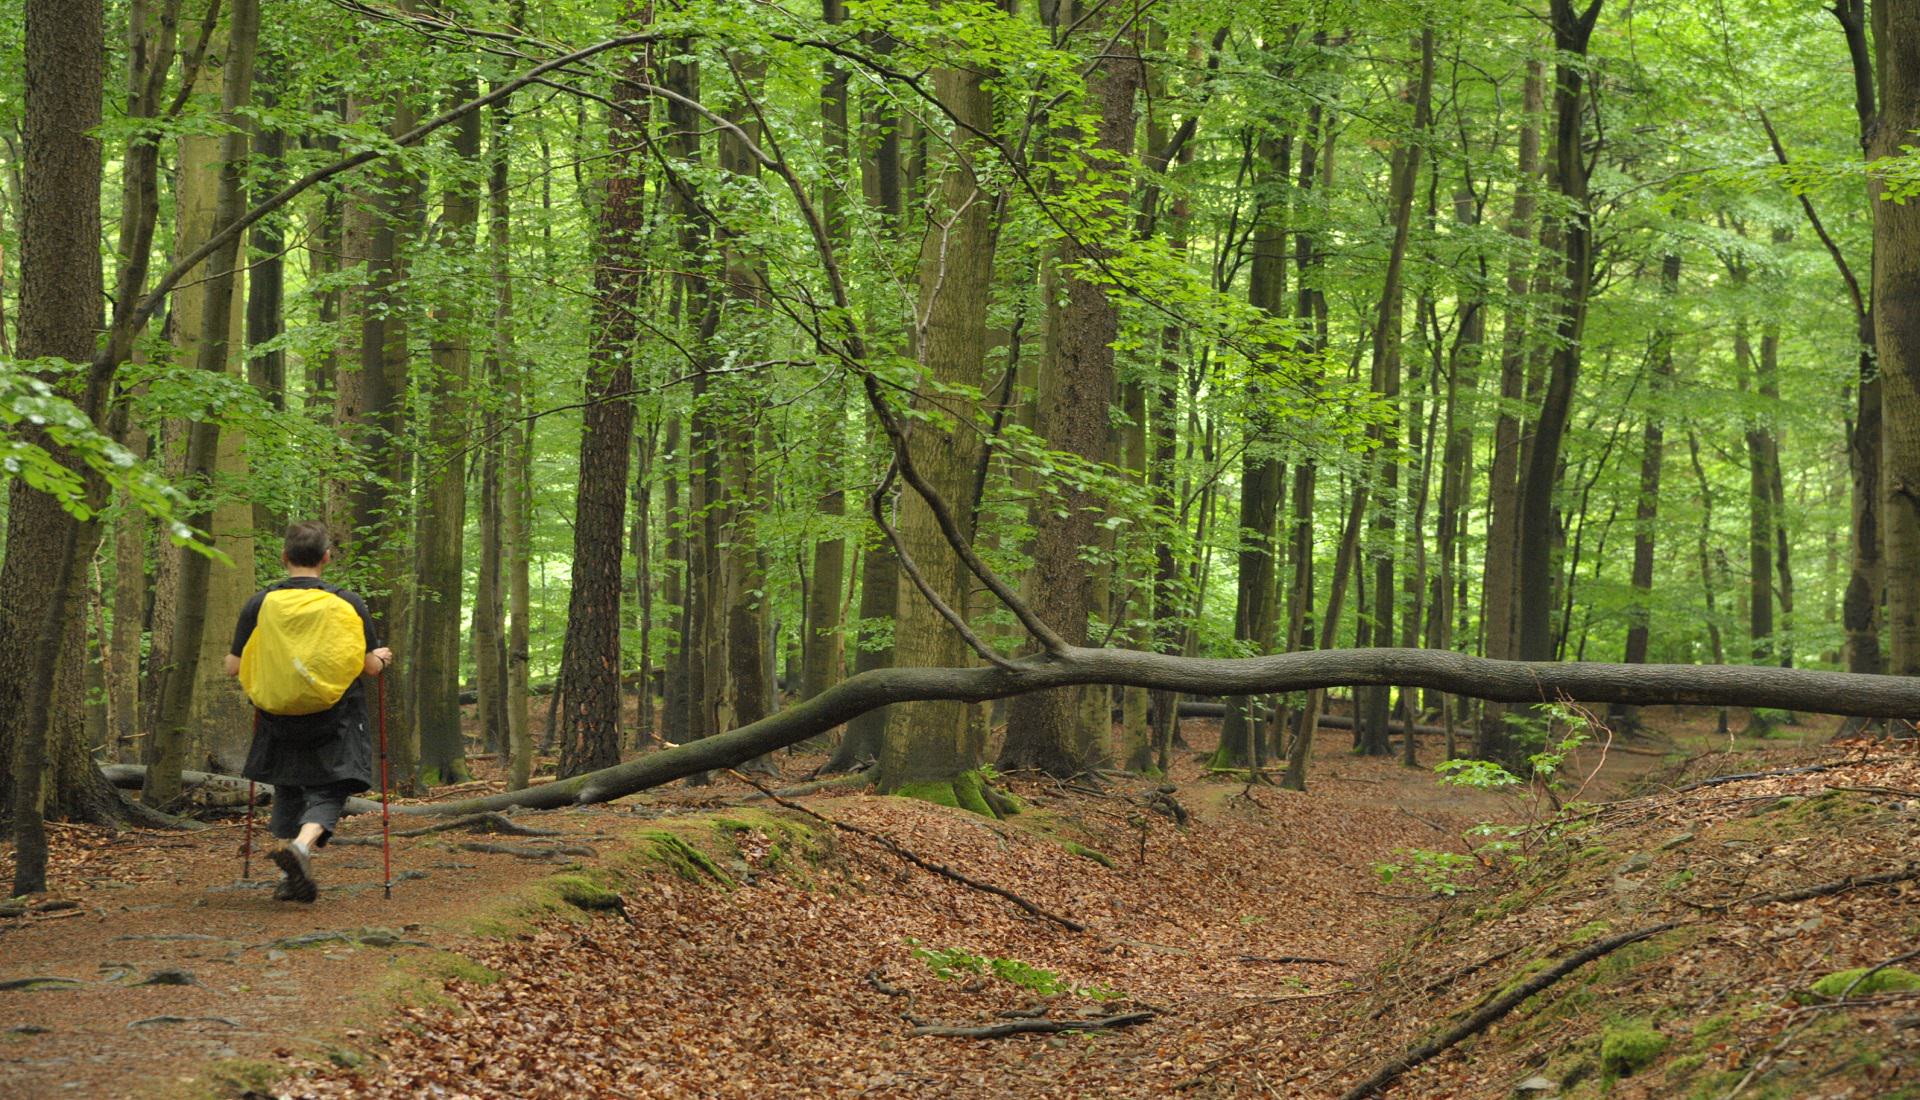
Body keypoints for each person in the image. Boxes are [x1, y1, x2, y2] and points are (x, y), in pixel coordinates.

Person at [225, 521, 393, 902]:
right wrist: (381, 659)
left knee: (287, 782)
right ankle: (300, 847)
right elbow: (368, 666)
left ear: (284, 557)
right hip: (335, 714)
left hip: (277, 714)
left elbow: (232, 667)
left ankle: (290, 877)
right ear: (326, 558)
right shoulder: (348, 602)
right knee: (332, 786)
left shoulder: (260, 603)